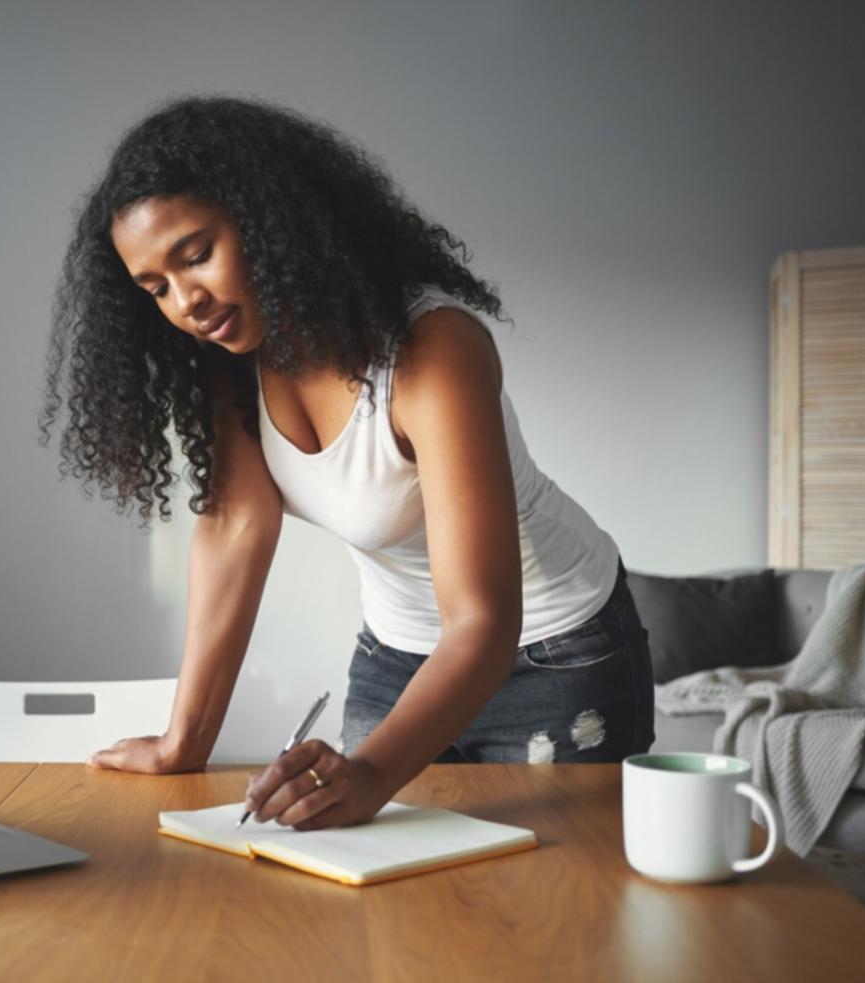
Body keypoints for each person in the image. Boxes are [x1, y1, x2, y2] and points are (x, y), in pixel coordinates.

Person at [39, 95, 654, 831]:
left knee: (554, 892)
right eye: (156, 288)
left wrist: (369, 774)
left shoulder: (433, 352)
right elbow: (235, 528)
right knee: (371, 882)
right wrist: (183, 742)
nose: (186, 303)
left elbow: (483, 619)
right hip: (395, 656)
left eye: (197, 256)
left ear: (267, 217)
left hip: (555, 653)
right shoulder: (234, 363)